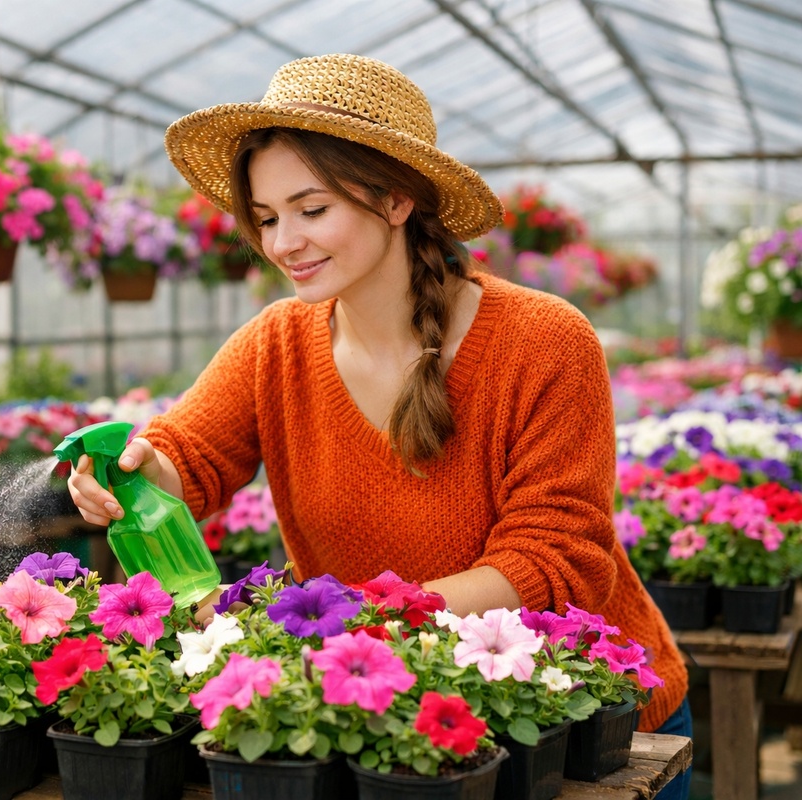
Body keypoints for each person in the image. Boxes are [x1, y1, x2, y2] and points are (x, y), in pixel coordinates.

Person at [67, 53, 691, 797]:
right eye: (266, 218)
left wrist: (350, 617)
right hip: (390, 716)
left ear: (396, 201)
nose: (282, 243)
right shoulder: (277, 345)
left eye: (312, 208)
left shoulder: (544, 341)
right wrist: (134, 474)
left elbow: (554, 561)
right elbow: (188, 454)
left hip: (576, 728)